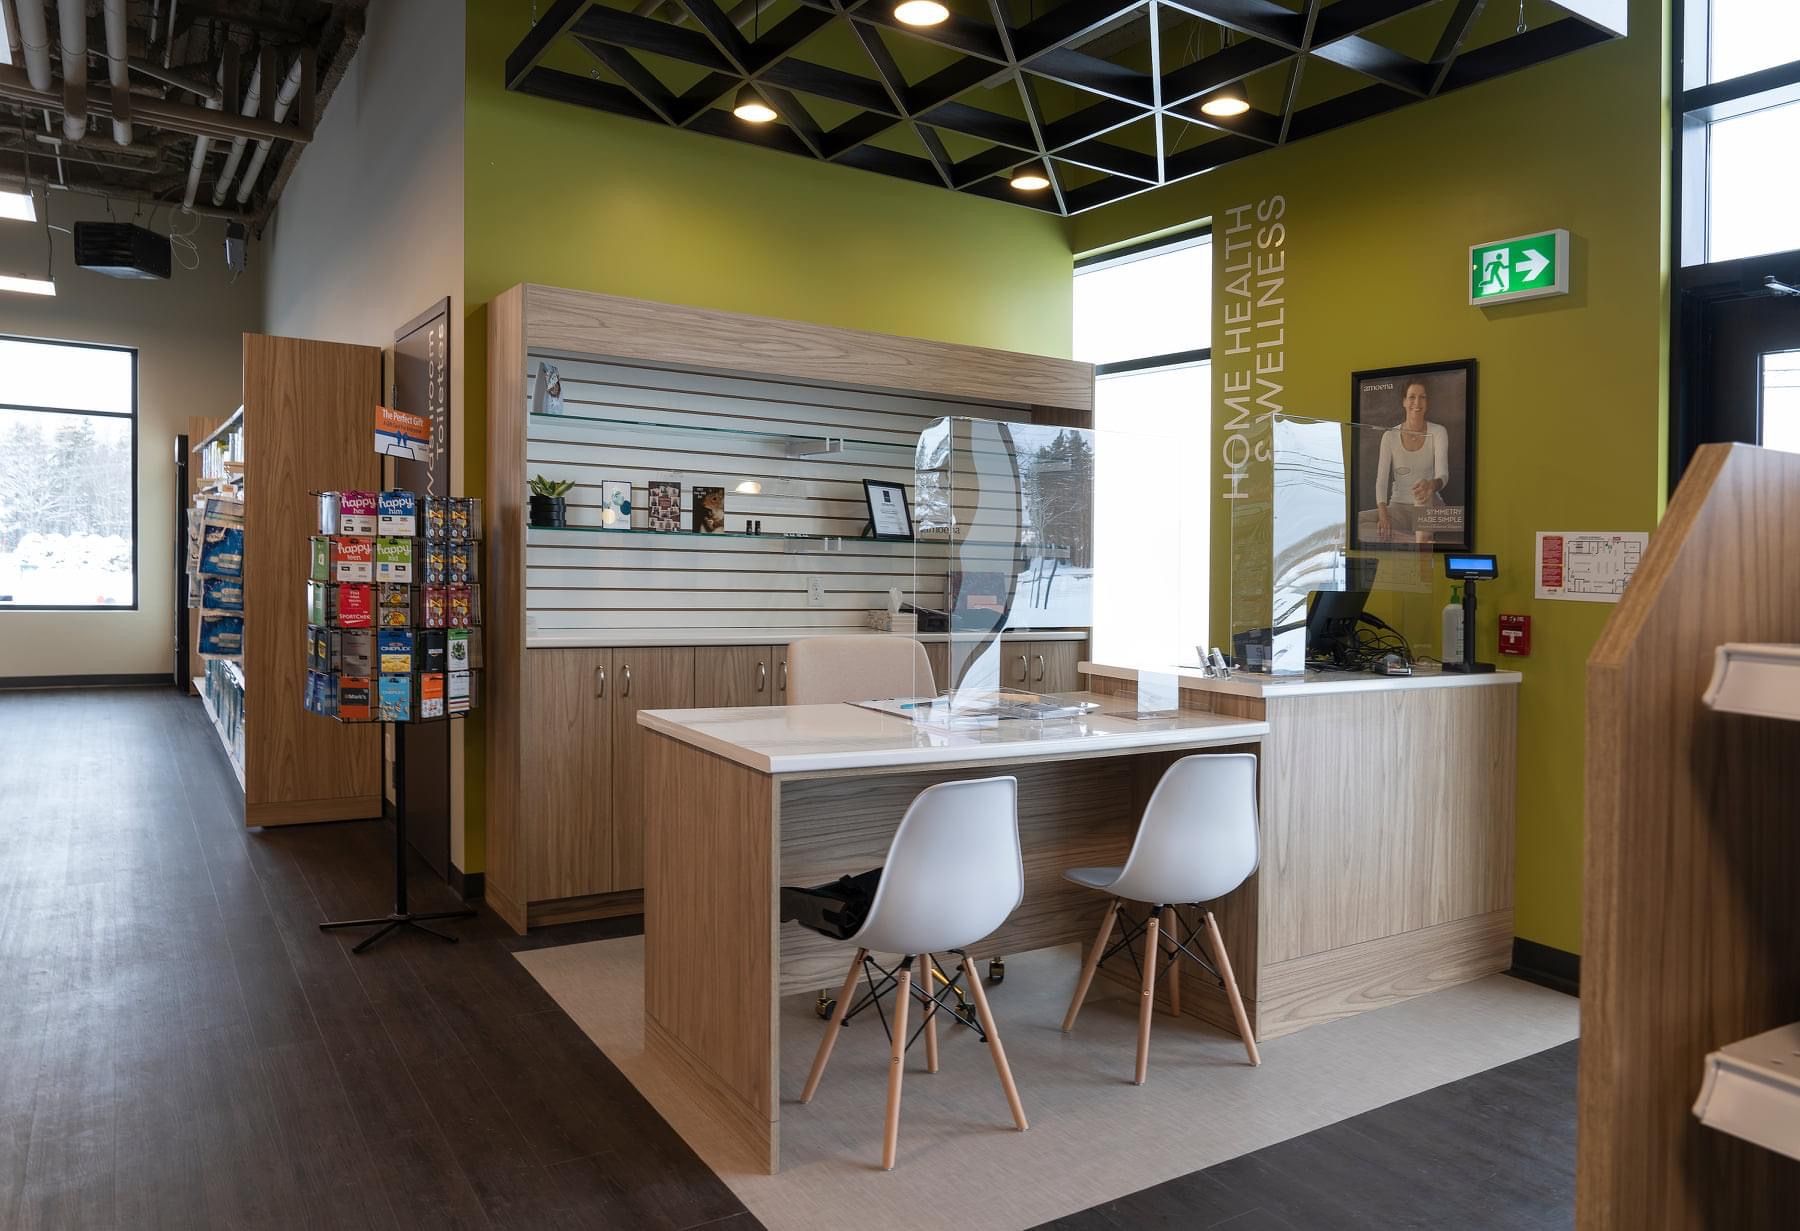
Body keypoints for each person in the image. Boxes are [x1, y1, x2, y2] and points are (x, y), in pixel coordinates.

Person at [1373, 380, 1449, 544]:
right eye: (1412, 397)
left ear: (1427, 402)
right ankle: (1417, 540)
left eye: (1422, 397)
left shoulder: (1438, 432)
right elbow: (1381, 482)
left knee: (1421, 500)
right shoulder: (1389, 436)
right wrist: (1383, 516)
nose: (1417, 402)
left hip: (1429, 506)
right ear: (1404, 401)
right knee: (1359, 522)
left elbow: (1443, 475)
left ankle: (1417, 542)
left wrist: (1430, 485)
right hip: (1399, 507)